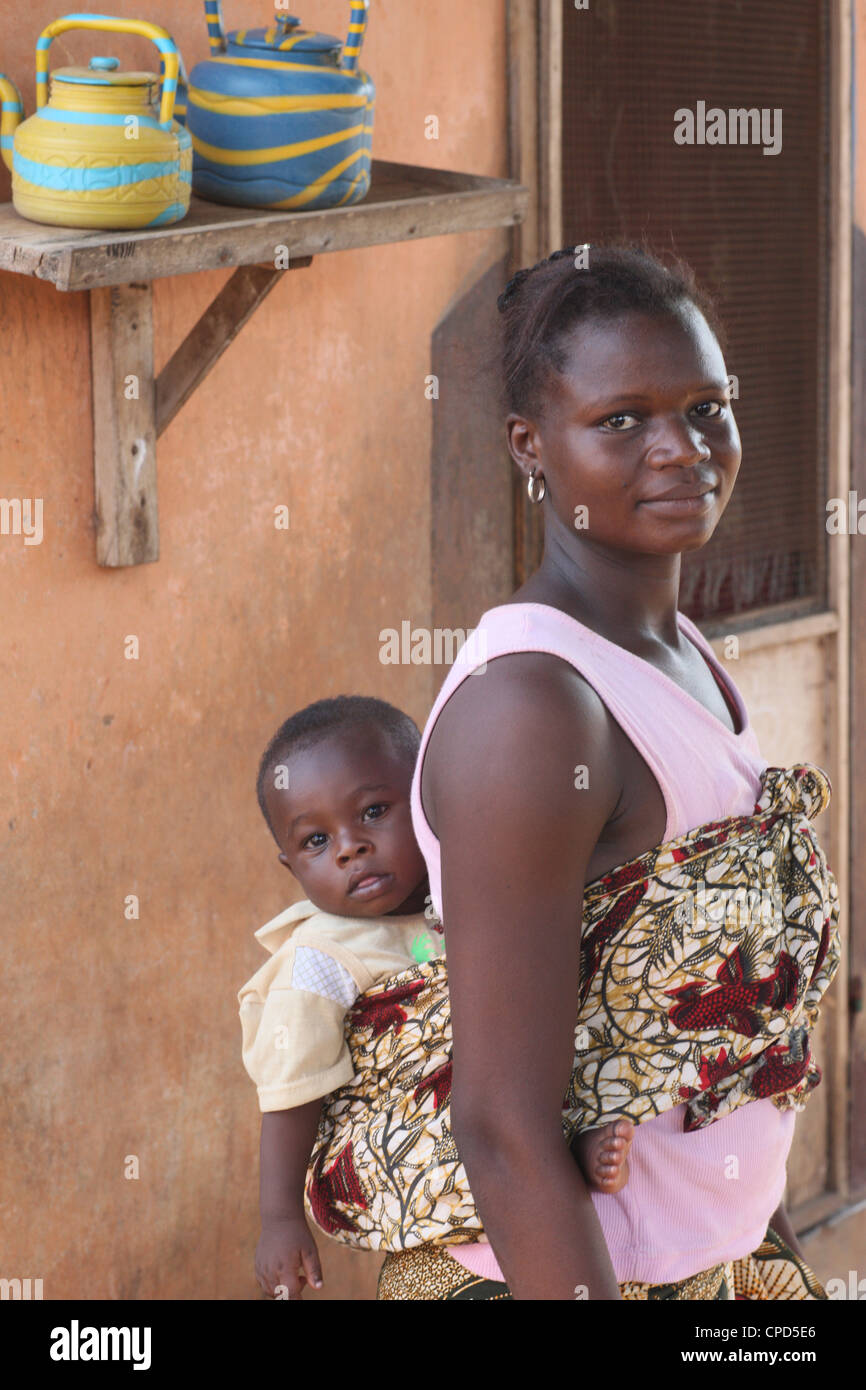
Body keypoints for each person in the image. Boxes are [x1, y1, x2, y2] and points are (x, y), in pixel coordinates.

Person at [372, 243, 833, 1300]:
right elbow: (501, 1126)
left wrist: (767, 1249)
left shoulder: (682, 656)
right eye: (621, 420)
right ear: (530, 447)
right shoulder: (536, 710)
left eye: (704, 408)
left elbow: (716, 1029)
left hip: (712, 1256)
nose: (679, 448)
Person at [241, 693, 632, 1300]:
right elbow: (292, 1091)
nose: (349, 847)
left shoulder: (468, 888)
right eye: (316, 842)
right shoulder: (320, 959)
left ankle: (573, 1141)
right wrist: (280, 1218)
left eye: (374, 810)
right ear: (289, 865)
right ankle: (566, 1153)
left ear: (430, 803)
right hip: (412, 1154)